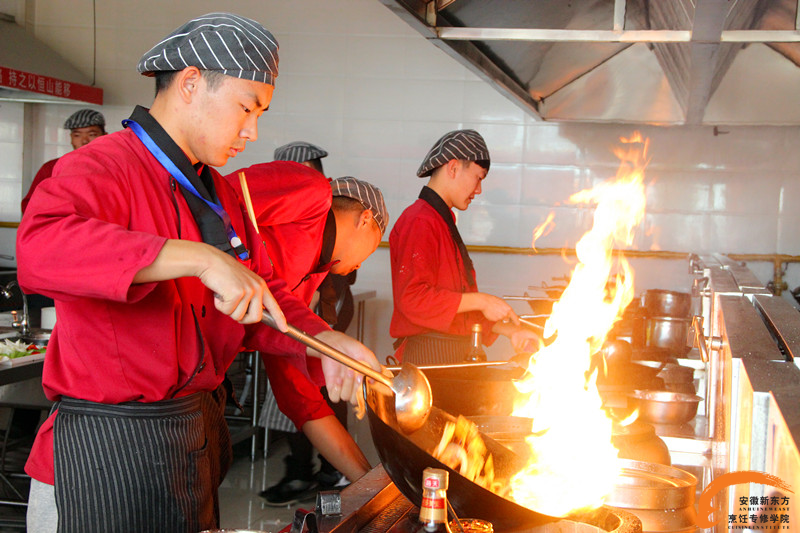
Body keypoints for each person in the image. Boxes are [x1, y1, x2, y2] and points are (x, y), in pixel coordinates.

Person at [16, 13, 379, 533]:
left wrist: (324, 341)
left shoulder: (220, 193)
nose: (252, 131)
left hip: (189, 442)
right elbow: (39, 247)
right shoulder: (104, 165)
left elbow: (257, 298)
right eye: (245, 108)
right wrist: (201, 257)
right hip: (104, 451)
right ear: (190, 84)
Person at [226, 160, 385, 505]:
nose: (361, 264)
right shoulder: (313, 193)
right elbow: (214, 203)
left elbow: (305, 402)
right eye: (374, 247)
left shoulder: (300, 290)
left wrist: (374, 487)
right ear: (365, 219)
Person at [389, 129, 539, 365]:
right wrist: (482, 301)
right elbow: (413, 299)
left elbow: (457, 309)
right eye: (478, 178)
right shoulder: (420, 220)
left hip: (451, 355)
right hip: (429, 359)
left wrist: (512, 331)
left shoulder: (441, 220)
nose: (478, 190)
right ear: (454, 168)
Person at [21, 108, 107, 213]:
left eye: (92, 134)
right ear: (71, 138)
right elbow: (30, 206)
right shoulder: (51, 168)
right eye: (77, 135)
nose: (84, 141)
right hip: (62, 228)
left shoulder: (114, 168)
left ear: (105, 136)